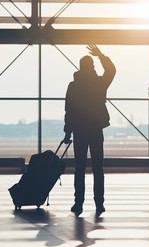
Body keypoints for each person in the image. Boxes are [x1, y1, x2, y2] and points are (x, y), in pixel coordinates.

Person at [63, 44, 116, 218]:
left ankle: (78, 203)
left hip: (79, 131)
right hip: (95, 130)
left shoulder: (73, 86)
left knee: (80, 168)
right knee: (98, 168)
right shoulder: (99, 84)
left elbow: (69, 109)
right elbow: (112, 71)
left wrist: (67, 131)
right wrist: (101, 55)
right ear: (92, 67)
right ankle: (99, 203)